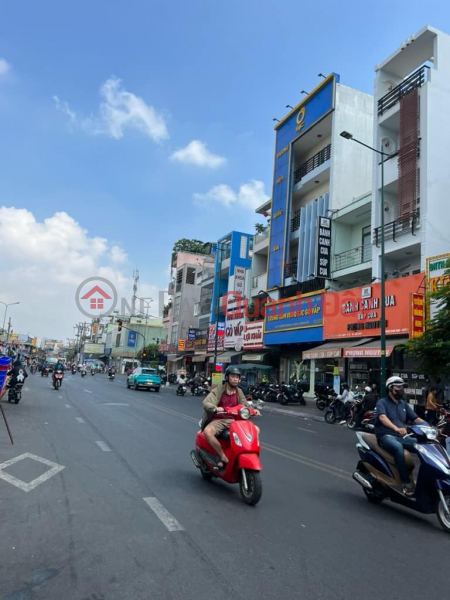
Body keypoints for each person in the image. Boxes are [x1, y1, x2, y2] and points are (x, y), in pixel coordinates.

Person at [374, 376, 425, 496]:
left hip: (402, 437)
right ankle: (405, 483)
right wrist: (396, 428)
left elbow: (416, 418)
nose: (402, 389)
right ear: (391, 388)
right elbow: (382, 417)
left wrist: (430, 427)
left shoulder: (403, 404)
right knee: (397, 448)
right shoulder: (382, 402)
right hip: (386, 436)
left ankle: (425, 481)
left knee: (423, 446)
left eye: (403, 387)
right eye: (399, 387)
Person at [201, 367, 260, 469]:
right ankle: (223, 457)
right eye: (233, 376)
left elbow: (245, 405)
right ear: (227, 377)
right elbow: (207, 402)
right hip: (220, 420)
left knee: (256, 429)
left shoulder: (239, 391)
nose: (235, 379)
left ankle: (249, 452)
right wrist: (215, 408)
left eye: (237, 377)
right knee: (208, 432)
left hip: (235, 420)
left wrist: (253, 410)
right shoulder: (219, 390)